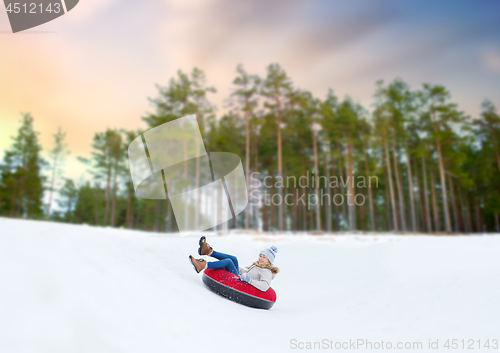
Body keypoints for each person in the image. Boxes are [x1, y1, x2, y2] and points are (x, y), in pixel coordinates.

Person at [189, 236, 279, 292]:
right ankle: (208, 252)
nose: (260, 258)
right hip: (241, 277)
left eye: (264, 257)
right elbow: (247, 273)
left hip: (242, 283)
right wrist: (238, 268)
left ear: (269, 261)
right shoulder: (258, 266)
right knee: (234, 259)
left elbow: (265, 286)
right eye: (260, 256)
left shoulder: (267, 271)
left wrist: (250, 281)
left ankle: (202, 265)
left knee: (228, 261)